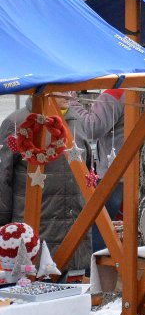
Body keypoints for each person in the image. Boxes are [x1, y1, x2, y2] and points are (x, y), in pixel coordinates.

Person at [0, 94, 91, 275]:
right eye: (62, 88)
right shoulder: (16, 122)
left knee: (74, 294)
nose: (70, 94)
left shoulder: (77, 121)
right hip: (34, 231)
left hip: (74, 231)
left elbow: (86, 171)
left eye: (71, 89)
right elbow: (3, 179)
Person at [63, 89, 125, 251]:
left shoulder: (115, 93)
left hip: (113, 174)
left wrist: (72, 103)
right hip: (124, 171)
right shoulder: (132, 90)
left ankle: (94, 272)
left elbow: (92, 128)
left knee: (100, 227)